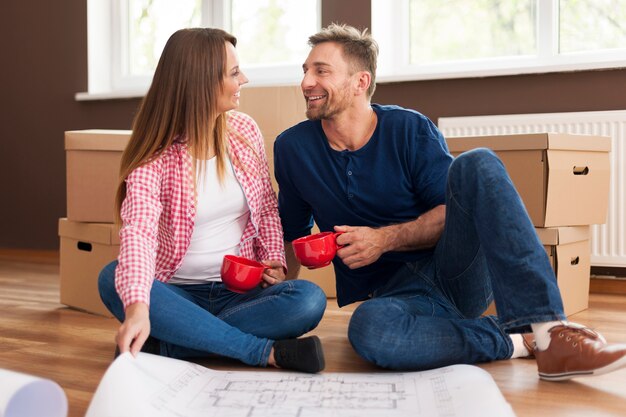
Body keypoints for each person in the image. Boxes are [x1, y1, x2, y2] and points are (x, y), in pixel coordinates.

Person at [273, 23, 626, 380]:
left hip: (455, 270)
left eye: (321, 71)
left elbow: (449, 212)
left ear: (360, 82)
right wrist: (278, 300)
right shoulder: (292, 149)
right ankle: (519, 342)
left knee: (477, 162)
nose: (306, 83)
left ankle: (550, 331)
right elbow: (292, 231)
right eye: (305, 71)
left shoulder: (409, 129)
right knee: (370, 331)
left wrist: (384, 239)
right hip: (394, 297)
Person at [98, 28, 326, 374]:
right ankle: (261, 351)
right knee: (112, 277)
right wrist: (139, 310)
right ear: (201, 82)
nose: (244, 79)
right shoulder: (154, 158)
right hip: (175, 292)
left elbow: (265, 208)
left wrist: (274, 260)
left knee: (308, 299)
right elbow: (138, 233)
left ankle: (175, 341)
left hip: (239, 294)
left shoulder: (243, 130)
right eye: (234, 73)